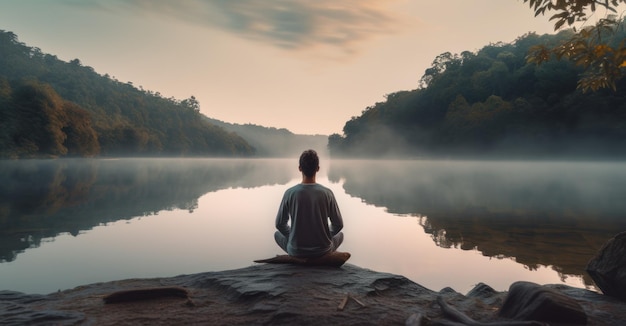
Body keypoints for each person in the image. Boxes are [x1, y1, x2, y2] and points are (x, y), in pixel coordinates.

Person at [274, 149, 344, 258]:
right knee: (340, 236)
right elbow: (338, 224)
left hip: (297, 251)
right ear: (318, 169)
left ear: (300, 168)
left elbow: (279, 224)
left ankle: (299, 257)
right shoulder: (327, 193)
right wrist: (326, 236)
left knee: (277, 235)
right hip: (323, 251)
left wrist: (292, 235)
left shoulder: (290, 193)